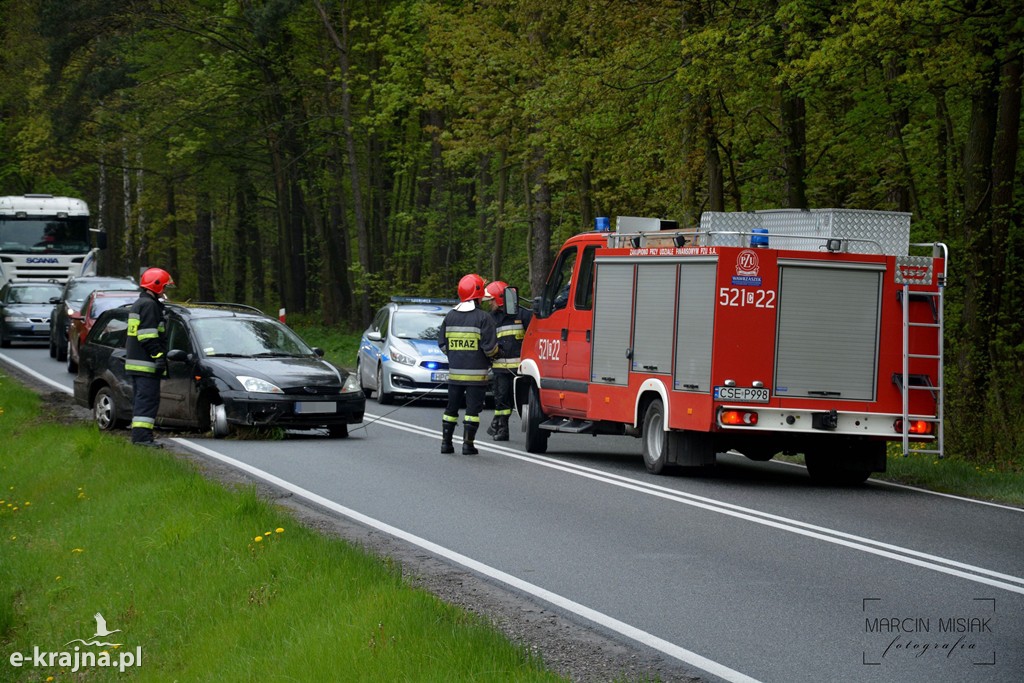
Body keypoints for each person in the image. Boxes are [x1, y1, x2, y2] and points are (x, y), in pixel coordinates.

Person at [438, 273, 499, 454]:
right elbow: (490, 348)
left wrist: (455, 356)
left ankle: (446, 444)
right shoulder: (484, 318)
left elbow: (442, 344)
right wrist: (497, 355)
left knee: (451, 409)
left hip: (454, 376)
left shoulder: (450, 316)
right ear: (478, 293)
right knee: (472, 412)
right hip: (476, 376)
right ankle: (467, 445)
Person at [125, 267, 174, 448]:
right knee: (147, 401)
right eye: (165, 286)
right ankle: (142, 439)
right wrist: (159, 356)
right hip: (146, 364)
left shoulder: (140, 304)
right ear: (157, 285)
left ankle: (141, 437)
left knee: (142, 401)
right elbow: (147, 335)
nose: (166, 290)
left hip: (137, 363)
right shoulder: (149, 306)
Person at [483, 280, 531, 441]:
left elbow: (533, 340)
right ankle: (502, 429)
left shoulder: (523, 315)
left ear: (500, 298)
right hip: (500, 369)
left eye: (491, 300)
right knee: (501, 400)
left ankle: (530, 432)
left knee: (524, 401)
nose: (489, 303)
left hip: (521, 370)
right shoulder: (490, 319)